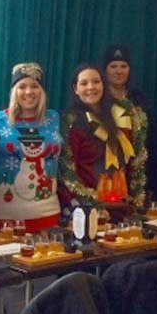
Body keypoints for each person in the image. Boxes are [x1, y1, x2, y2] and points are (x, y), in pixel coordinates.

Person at [0, 63, 62, 232]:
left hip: (47, 214)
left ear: (42, 91)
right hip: (3, 218)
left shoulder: (53, 118)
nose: (29, 92)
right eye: (22, 86)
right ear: (14, 91)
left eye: (35, 86)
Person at [60, 63, 145, 212]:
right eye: (84, 83)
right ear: (75, 89)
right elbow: (68, 173)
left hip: (124, 205)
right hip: (91, 207)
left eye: (96, 81)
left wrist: (135, 195)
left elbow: (135, 160)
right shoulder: (71, 124)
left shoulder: (122, 115)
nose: (91, 87)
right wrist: (93, 200)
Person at [102, 45, 149, 206]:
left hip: (134, 166)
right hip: (105, 167)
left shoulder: (138, 99)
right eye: (113, 66)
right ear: (105, 70)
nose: (119, 71)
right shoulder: (98, 99)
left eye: (123, 66)